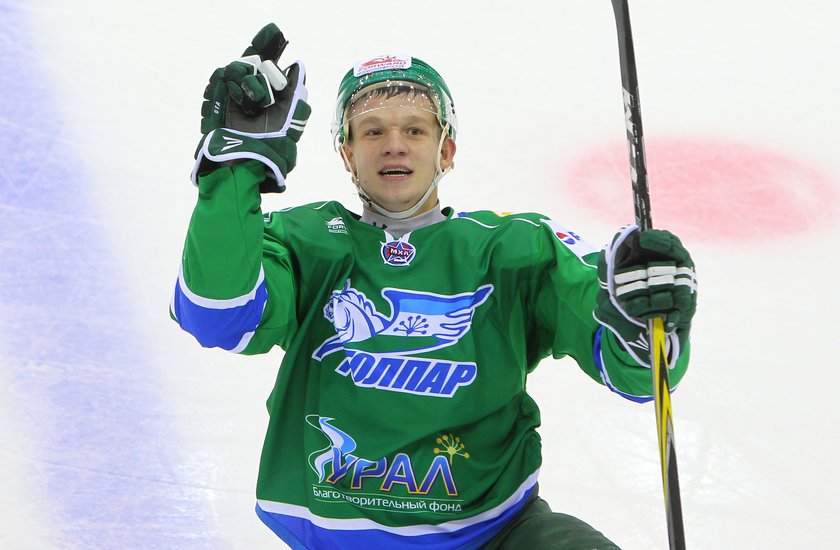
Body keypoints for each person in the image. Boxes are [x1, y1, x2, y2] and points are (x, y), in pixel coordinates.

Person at [171, 23, 697, 550]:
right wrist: (235, 170)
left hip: (496, 533)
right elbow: (217, 315)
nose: (393, 145)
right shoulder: (304, 242)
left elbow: (635, 372)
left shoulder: (513, 247)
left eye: (415, 130)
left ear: (446, 151)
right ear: (347, 154)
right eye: (371, 131)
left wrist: (641, 315)